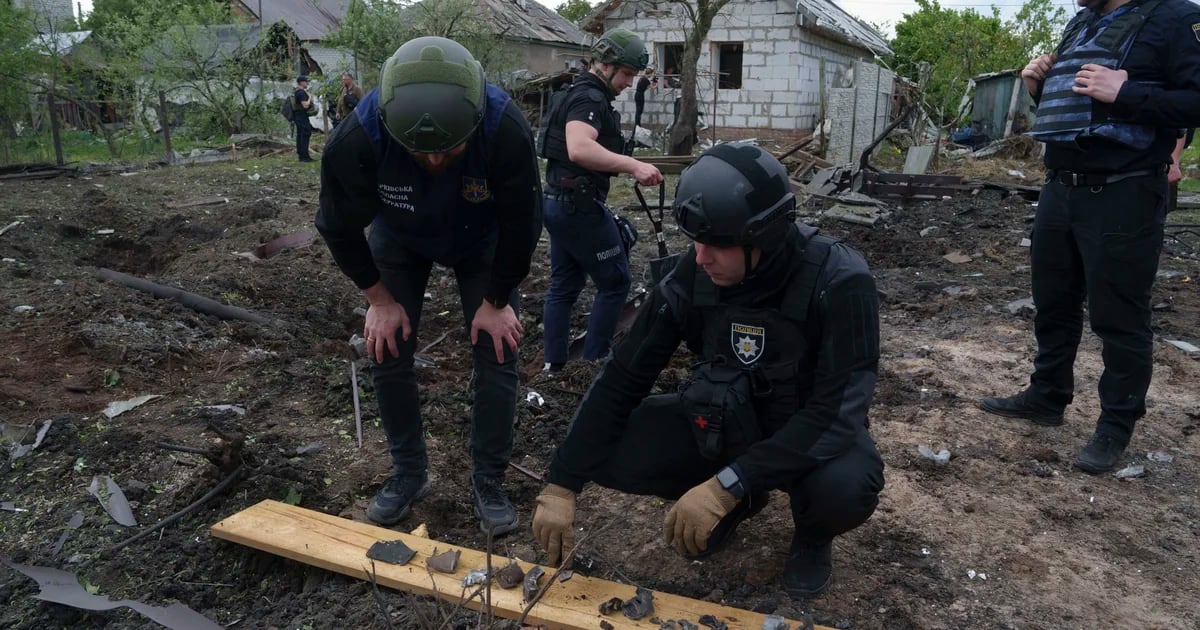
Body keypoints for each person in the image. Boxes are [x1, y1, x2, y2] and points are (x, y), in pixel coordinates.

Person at [530, 145, 885, 597]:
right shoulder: (693, 275)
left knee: (846, 487)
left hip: (807, 434)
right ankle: (742, 500)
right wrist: (562, 482)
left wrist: (727, 483)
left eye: (716, 245)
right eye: (696, 242)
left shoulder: (839, 280)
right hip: (726, 421)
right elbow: (623, 378)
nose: (700, 258)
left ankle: (811, 536)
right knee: (609, 449)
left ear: (764, 237)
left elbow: (835, 416)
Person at [315, 37, 542, 535]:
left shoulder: (505, 129)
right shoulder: (356, 138)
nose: (436, 162)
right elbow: (336, 226)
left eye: (450, 149)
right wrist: (378, 299)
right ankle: (408, 473)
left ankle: (490, 479)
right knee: (386, 346)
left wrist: (497, 300)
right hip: (400, 236)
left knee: (498, 348)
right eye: (422, 152)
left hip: (483, 238)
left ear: (475, 122)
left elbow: (525, 224)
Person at [981, 0, 1200, 473]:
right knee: (1054, 302)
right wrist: (1039, 87)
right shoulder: (1082, 22)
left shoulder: (1176, 17)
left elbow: (1192, 99)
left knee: (1118, 316)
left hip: (1125, 191)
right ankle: (1047, 396)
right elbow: (1078, 109)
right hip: (1061, 188)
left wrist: (1127, 92)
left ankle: (1115, 426)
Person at [538, 29, 664, 372]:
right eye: (625, 74)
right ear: (605, 65)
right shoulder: (590, 99)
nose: (627, 83)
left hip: (556, 201)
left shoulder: (573, 91)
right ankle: (594, 364)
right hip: (577, 206)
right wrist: (634, 166)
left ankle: (556, 365)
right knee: (615, 281)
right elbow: (580, 148)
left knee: (565, 283)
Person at [293, 76, 315, 162]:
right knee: (305, 134)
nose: (307, 83)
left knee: (300, 134)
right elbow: (305, 105)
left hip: (298, 116)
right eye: (306, 82)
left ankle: (301, 155)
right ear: (301, 82)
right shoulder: (301, 93)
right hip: (301, 116)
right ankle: (304, 157)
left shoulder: (297, 92)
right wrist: (310, 97)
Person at [633, 66, 656, 131]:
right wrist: (657, 82)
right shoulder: (645, 80)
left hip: (637, 94)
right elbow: (653, 87)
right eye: (650, 74)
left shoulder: (642, 78)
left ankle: (637, 124)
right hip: (640, 95)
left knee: (638, 110)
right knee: (639, 111)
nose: (651, 76)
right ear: (649, 74)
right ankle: (637, 124)